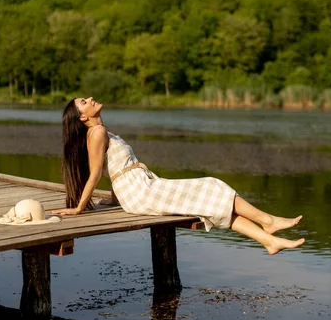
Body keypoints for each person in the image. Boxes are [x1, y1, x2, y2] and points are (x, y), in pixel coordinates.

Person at [53, 97, 305, 255]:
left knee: (210, 202)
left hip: (141, 187)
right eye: (84, 102)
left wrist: (114, 197)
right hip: (140, 192)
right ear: (82, 117)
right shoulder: (96, 133)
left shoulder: (101, 130)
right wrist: (79, 209)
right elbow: (96, 172)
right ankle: (268, 221)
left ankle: (267, 240)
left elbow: (115, 168)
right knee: (211, 185)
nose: (90, 98)